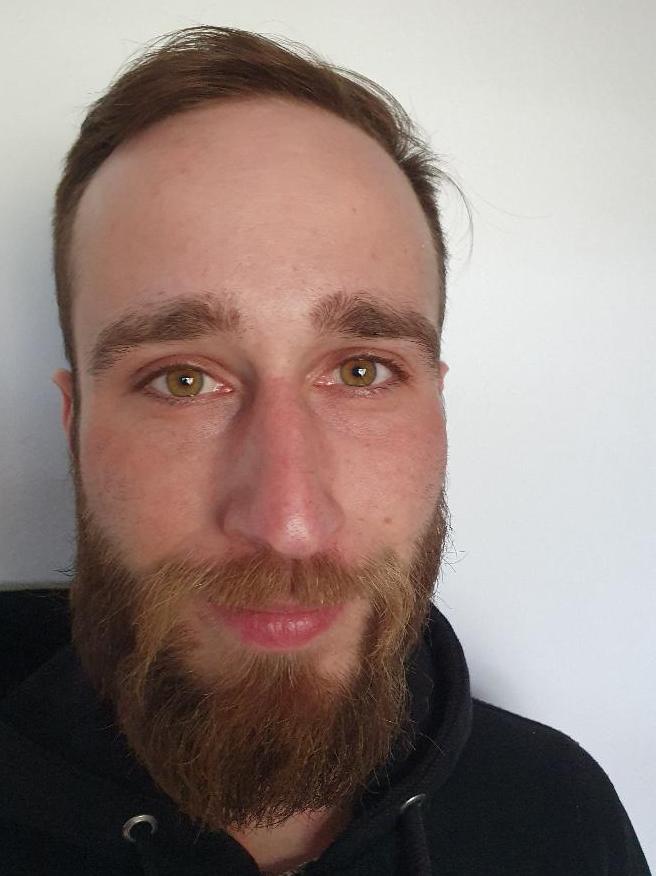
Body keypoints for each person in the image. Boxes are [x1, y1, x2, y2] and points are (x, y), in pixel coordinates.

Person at [0, 25, 650, 876]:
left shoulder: (558, 815)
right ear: (73, 420)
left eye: (361, 370)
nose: (289, 523)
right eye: (182, 380)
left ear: (438, 403)